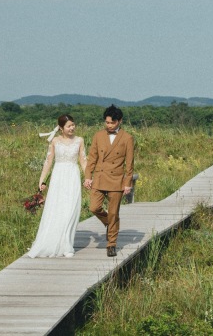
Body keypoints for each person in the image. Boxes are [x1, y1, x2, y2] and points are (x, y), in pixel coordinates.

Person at [27, 114, 87, 258]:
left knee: (71, 209)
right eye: (69, 126)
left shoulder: (79, 140)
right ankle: (52, 241)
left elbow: (83, 161)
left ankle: (67, 244)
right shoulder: (55, 141)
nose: (72, 128)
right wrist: (42, 180)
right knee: (57, 208)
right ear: (61, 128)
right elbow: (48, 162)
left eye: (73, 125)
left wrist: (88, 178)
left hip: (72, 176)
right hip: (58, 177)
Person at [83, 104, 134, 257]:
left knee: (113, 213)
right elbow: (92, 158)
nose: (109, 125)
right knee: (94, 207)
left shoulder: (127, 138)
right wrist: (87, 176)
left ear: (120, 121)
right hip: (99, 177)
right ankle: (109, 224)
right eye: (107, 122)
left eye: (112, 122)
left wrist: (127, 183)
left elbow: (129, 164)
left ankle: (111, 244)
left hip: (116, 179)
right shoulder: (98, 135)